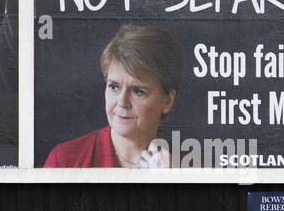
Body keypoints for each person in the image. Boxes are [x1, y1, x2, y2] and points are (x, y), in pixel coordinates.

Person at [42, 24, 184, 168]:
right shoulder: (65, 160)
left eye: (138, 91)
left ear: (168, 101)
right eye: (114, 87)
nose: (122, 102)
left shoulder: (192, 167)